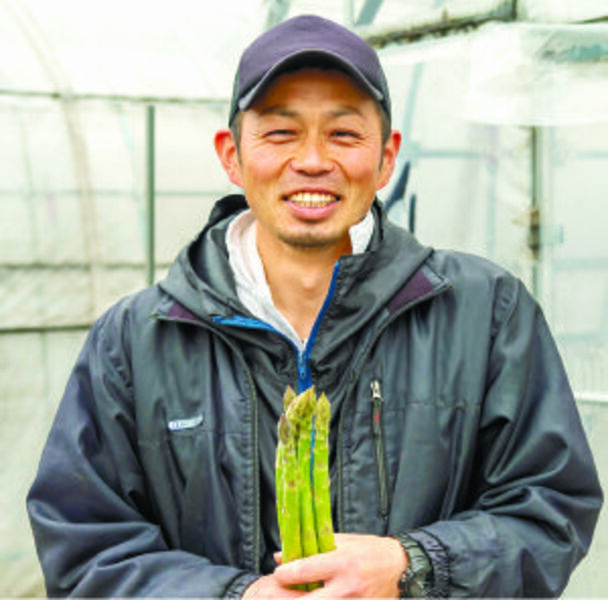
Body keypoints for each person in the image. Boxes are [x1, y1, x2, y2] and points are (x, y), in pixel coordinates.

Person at [27, 14, 602, 598]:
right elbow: (84, 549)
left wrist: (412, 566)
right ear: (231, 155)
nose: (311, 160)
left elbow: (550, 508)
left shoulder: (487, 313)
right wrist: (237, 595)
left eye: (344, 134)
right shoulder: (133, 341)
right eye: (281, 133)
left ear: (386, 158)